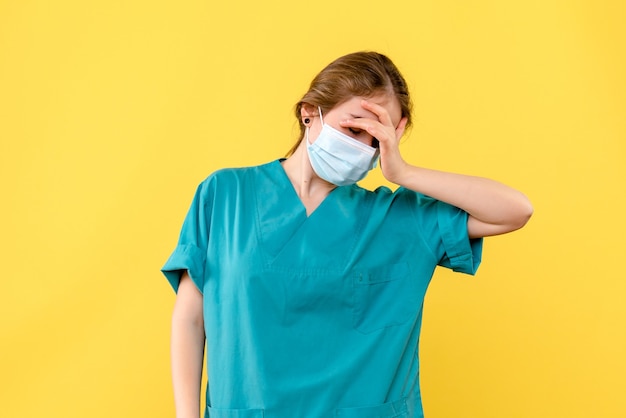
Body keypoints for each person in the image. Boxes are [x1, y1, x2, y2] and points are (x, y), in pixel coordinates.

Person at [161, 51, 533, 418]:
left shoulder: (398, 217)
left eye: (376, 140)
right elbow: (191, 319)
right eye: (354, 129)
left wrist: (403, 172)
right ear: (310, 113)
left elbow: (515, 210)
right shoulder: (226, 195)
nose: (362, 148)